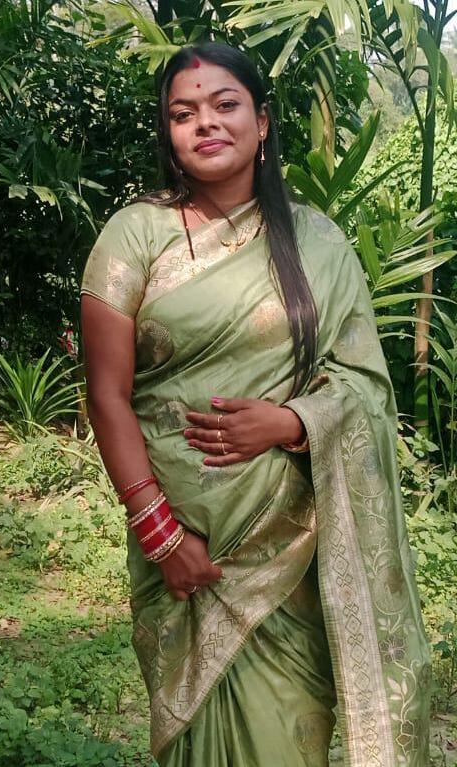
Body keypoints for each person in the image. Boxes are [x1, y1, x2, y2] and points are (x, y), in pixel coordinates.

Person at [80, 42, 431, 767]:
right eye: (183, 113)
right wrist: (161, 536)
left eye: (224, 104)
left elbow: (364, 385)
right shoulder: (134, 235)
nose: (205, 123)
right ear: (168, 132)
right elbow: (107, 395)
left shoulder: (317, 243)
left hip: (289, 555)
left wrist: (293, 422)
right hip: (184, 549)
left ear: (262, 121)